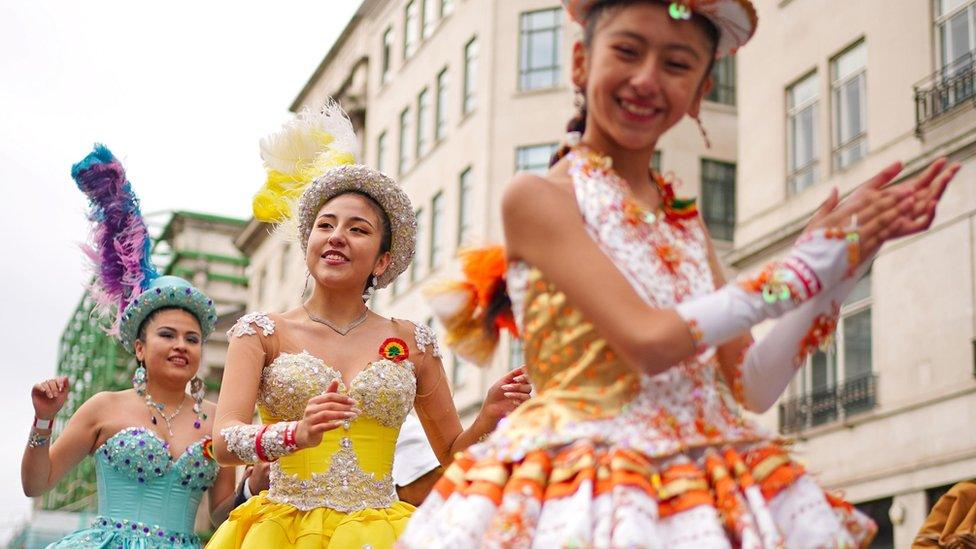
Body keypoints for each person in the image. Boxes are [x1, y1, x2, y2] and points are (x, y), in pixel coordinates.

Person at [399, 1, 961, 547]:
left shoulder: (683, 221)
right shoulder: (539, 196)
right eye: (627, 51)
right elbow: (648, 340)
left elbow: (755, 385)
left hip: (704, 486)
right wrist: (805, 265)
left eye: (676, 64)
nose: (646, 79)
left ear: (702, 90)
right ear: (579, 62)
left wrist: (842, 266)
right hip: (586, 488)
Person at [207, 104, 532, 548]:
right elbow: (224, 442)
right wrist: (294, 434)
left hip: (381, 532)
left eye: (357, 229)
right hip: (279, 531)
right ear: (310, 245)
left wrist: (490, 415)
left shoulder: (413, 342)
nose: (337, 236)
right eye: (326, 225)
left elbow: (453, 455)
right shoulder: (260, 332)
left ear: (382, 260)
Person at [22, 145, 236, 548]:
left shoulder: (219, 418)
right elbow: (38, 483)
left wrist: (257, 480)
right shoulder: (104, 407)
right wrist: (44, 421)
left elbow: (223, 510)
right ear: (140, 347)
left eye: (192, 339)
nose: (181, 346)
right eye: (167, 335)